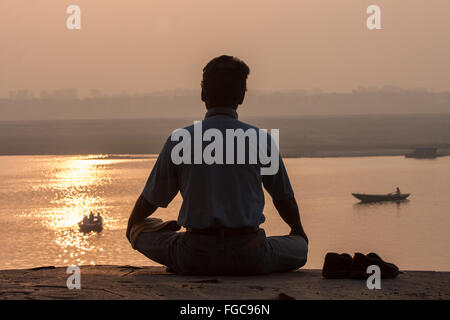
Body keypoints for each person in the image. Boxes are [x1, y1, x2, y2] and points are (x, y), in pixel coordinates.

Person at [126, 55, 308, 276]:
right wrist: (298, 231)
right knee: (300, 245)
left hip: (193, 255)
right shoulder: (261, 140)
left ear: (203, 94)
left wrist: (132, 227)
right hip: (250, 256)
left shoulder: (180, 139)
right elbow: (283, 198)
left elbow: (151, 199)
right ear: (241, 97)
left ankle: (167, 241)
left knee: (138, 230)